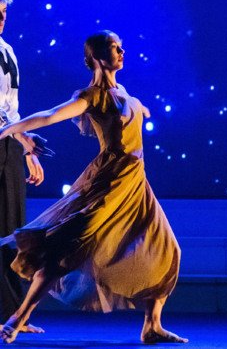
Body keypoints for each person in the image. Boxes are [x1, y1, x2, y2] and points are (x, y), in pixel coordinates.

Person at [0, 30, 188, 344]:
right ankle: (18, 317)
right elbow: (51, 116)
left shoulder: (125, 93)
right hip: (107, 183)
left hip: (136, 185)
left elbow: (130, 111)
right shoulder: (91, 96)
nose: (122, 52)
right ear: (98, 57)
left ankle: (152, 325)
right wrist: (9, 129)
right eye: (116, 48)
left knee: (168, 249)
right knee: (65, 252)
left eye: (121, 47)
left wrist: (140, 108)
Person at [0, 0, 54, 335]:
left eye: (3, 12)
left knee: (11, 229)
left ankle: (13, 313)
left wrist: (25, 146)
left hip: (7, 145)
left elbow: (10, 109)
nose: (1, 17)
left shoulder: (8, 51)